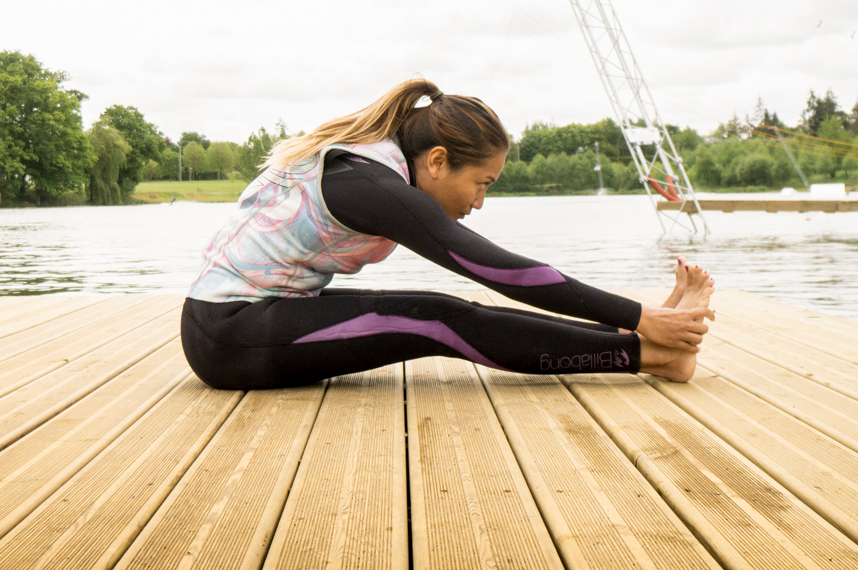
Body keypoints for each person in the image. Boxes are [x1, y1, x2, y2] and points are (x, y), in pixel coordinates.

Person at [181, 78, 714, 390]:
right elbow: (500, 270)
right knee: (437, 318)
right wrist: (638, 312)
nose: (479, 202)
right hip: (228, 335)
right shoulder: (369, 185)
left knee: (440, 310)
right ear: (437, 161)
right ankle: (654, 350)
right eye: (481, 183)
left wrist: (637, 322)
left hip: (245, 321)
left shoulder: (370, 167)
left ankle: (646, 345)